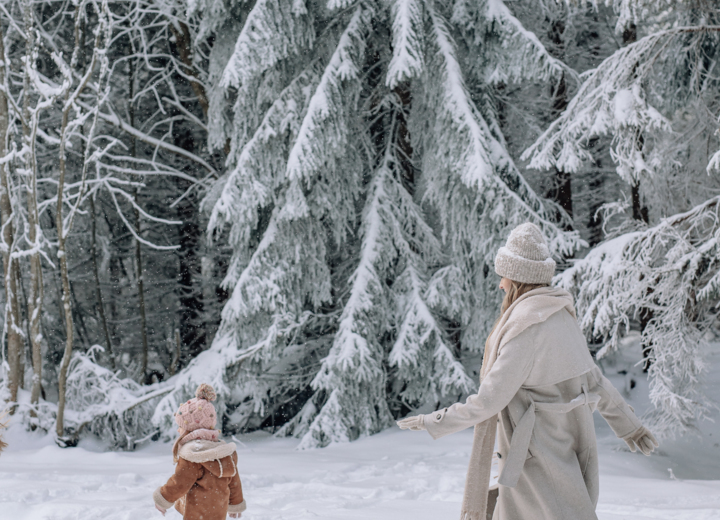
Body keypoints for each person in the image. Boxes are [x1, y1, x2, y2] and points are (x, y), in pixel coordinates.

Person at [397, 222, 658, 520]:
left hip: (535, 462)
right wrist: (629, 426)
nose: (500, 285)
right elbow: (594, 380)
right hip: (563, 453)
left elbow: (488, 402)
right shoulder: (561, 315)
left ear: (519, 279)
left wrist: (434, 421)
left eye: (504, 276)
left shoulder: (524, 329)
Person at [153, 384, 246, 520]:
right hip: (218, 511)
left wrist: (163, 499)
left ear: (191, 428)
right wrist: (235, 503)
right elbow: (234, 481)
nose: (179, 430)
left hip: (196, 512)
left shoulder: (192, 455)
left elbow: (180, 481)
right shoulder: (224, 451)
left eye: (181, 426)